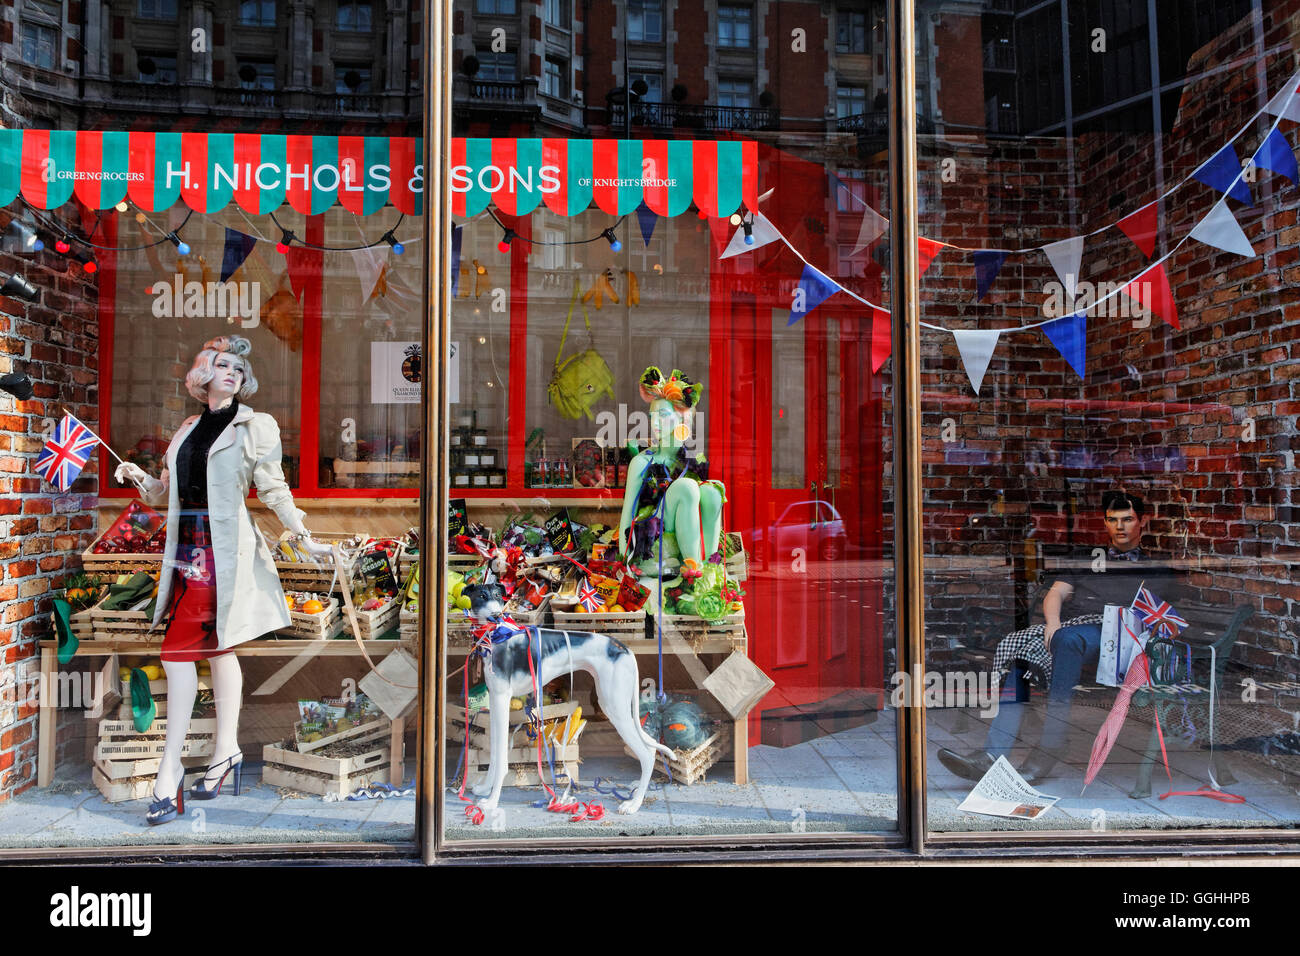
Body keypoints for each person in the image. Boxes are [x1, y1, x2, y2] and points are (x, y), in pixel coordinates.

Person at [114, 336, 329, 825]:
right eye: (222, 365)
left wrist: (304, 536)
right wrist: (141, 481)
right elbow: (166, 494)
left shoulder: (256, 426)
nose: (232, 372)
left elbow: (274, 488)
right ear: (203, 374)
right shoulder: (188, 427)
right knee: (217, 649)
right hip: (184, 551)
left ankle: (168, 774)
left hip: (220, 554)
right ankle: (225, 751)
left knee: (174, 655)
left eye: (238, 367)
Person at [937, 491, 1188, 785]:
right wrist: (1052, 625)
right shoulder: (1086, 557)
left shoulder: (1157, 570)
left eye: (1127, 520)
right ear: (1105, 523)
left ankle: (1049, 747)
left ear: (1142, 521)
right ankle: (992, 755)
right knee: (1022, 659)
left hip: (1117, 641)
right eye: (1113, 520)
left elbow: (1165, 623)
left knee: (1067, 641)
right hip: (1072, 631)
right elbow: (1055, 593)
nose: (1120, 527)